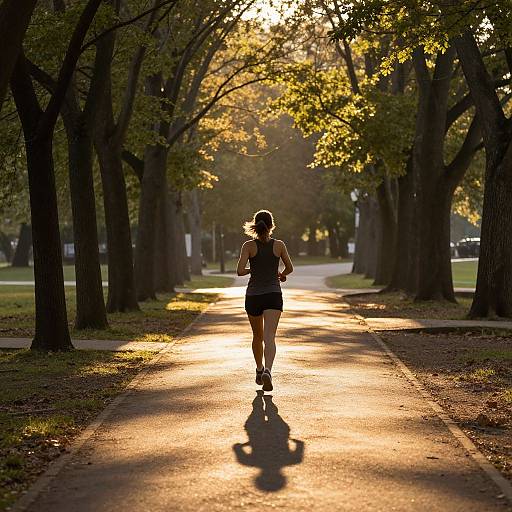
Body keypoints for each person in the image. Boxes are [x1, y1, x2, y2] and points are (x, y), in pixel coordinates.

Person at [237, 210, 294, 391]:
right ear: (271, 225)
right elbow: (290, 268)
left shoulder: (248, 246)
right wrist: (281, 275)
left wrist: (252, 269)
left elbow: (239, 271)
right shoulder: (279, 245)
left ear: (255, 225)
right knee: (270, 337)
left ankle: (259, 369)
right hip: (273, 295)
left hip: (253, 296)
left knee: (257, 336)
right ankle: (268, 370)